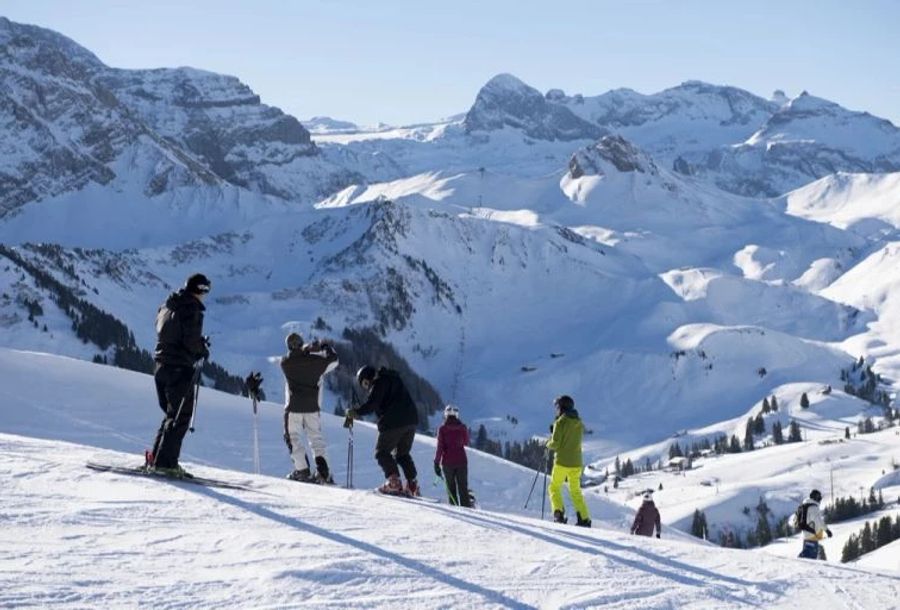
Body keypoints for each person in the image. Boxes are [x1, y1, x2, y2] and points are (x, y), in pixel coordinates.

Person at [147, 273, 211, 477]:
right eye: (206, 290)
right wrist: (202, 348)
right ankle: (166, 464)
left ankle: (157, 459)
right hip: (178, 368)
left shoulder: (168, 305)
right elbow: (190, 340)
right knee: (181, 416)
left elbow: (164, 331)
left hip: (161, 365)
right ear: (200, 290)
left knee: (171, 415)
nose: (206, 295)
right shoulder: (191, 308)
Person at [347, 365, 420, 496]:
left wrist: (355, 412)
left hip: (394, 421)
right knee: (402, 454)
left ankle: (394, 483)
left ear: (367, 378)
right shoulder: (393, 378)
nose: (366, 387)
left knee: (381, 452)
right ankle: (412, 484)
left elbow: (372, 404)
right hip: (411, 420)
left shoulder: (379, 382)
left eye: (364, 383)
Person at [280, 333, 339, 483]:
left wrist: (305, 350)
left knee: (292, 437)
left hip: (293, 408)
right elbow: (334, 361)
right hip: (312, 406)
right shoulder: (316, 361)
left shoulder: (285, 363)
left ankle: (302, 471)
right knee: (316, 438)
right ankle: (323, 473)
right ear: (301, 343)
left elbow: (295, 358)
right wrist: (325, 347)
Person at [547, 395, 591, 527]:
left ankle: (558, 513)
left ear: (562, 407)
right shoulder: (579, 423)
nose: (556, 409)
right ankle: (584, 519)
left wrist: (547, 444)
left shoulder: (560, 422)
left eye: (557, 407)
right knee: (575, 491)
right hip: (576, 463)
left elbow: (555, 443)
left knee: (554, 487)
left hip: (562, 462)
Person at [434, 404, 471, 507]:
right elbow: (466, 442)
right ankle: (467, 510)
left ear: (446, 415)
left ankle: (455, 510)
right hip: (461, 461)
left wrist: (436, 462)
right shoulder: (462, 427)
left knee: (451, 489)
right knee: (463, 488)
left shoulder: (442, 429)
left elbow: (440, 447)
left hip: (447, 463)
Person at [797, 489, 832, 559]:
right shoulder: (813, 508)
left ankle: (798, 562)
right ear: (816, 497)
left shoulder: (806, 505)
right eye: (819, 498)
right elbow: (818, 521)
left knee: (806, 554)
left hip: (806, 535)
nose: (820, 500)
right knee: (810, 557)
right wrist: (827, 530)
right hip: (812, 535)